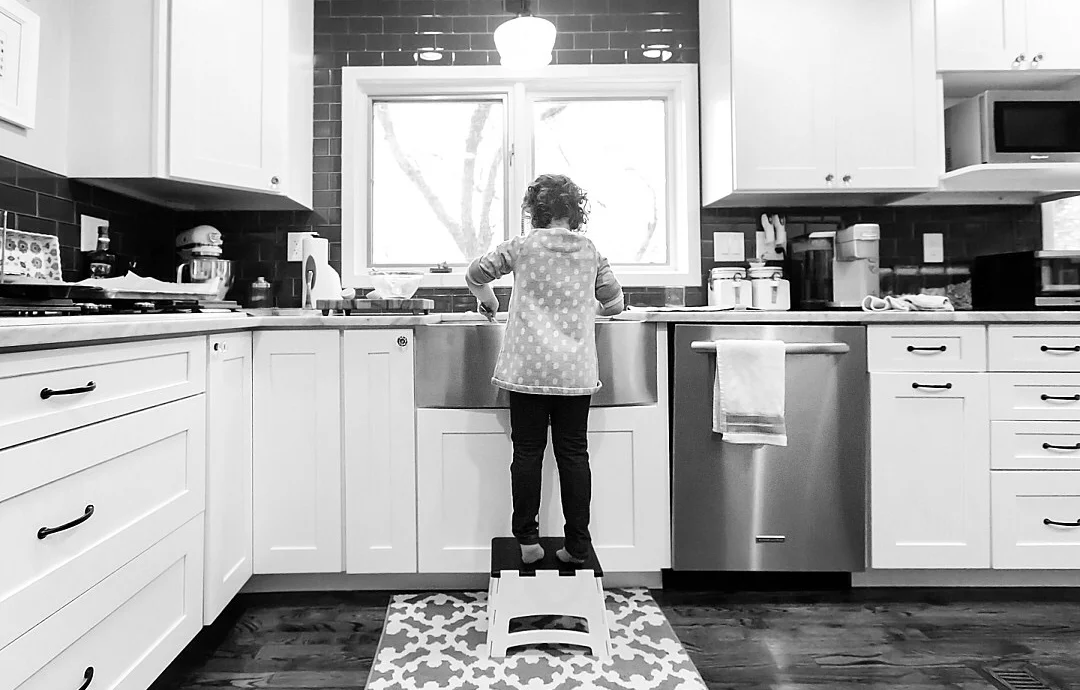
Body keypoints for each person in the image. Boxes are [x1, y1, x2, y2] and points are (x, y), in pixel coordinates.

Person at [466, 173, 624, 565]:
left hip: (527, 374)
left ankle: (528, 542)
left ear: (534, 212)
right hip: (575, 374)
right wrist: (588, 306)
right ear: (576, 212)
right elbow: (616, 304)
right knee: (574, 455)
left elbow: (474, 274)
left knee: (527, 453)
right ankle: (577, 546)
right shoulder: (591, 253)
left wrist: (489, 303)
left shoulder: (521, 247)